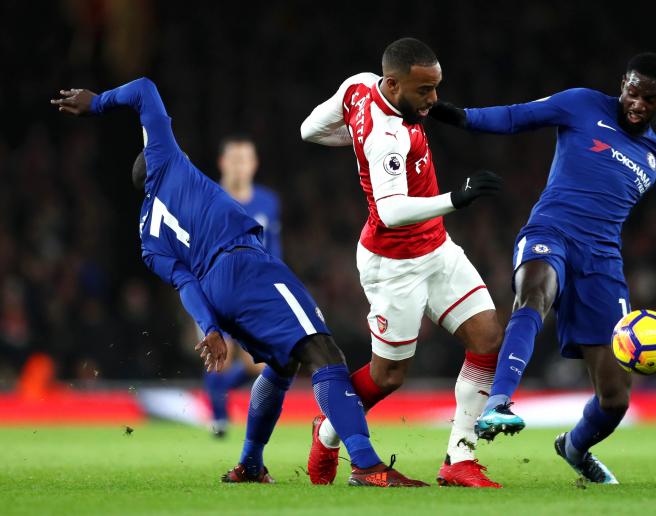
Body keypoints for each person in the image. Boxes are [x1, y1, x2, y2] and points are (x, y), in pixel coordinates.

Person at [51, 78, 426, 487]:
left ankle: (250, 463)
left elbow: (185, 283)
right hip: (244, 265)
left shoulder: (147, 240)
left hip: (215, 291)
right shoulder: (167, 159)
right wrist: (98, 103)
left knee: (282, 365)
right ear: (158, 158)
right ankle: (367, 465)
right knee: (323, 352)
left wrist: (211, 328)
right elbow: (143, 89)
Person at [430, 53, 656, 484]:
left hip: (602, 260)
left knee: (615, 399)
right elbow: (515, 116)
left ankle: (574, 447)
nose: (638, 103)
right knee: (535, 294)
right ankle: (498, 403)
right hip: (551, 230)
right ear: (623, 83)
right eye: (633, 92)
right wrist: (458, 115)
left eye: (650, 99)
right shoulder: (581, 103)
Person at [301, 37, 504, 488]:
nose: (433, 99)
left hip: (437, 249)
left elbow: (309, 130)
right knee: (388, 375)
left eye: (435, 87)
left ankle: (459, 457)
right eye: (424, 91)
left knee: (487, 336)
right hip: (394, 264)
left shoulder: (358, 86)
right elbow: (391, 211)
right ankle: (328, 431)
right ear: (392, 85)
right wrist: (457, 197)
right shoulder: (387, 137)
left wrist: (355, 140)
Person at [204, 135, 282, 438]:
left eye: (245, 160)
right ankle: (219, 422)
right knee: (218, 356)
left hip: (254, 293)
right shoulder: (207, 198)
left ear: (254, 164)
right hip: (214, 290)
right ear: (223, 163)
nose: (239, 166)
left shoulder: (268, 202)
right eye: (234, 160)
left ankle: (221, 402)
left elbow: (274, 248)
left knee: (257, 364)